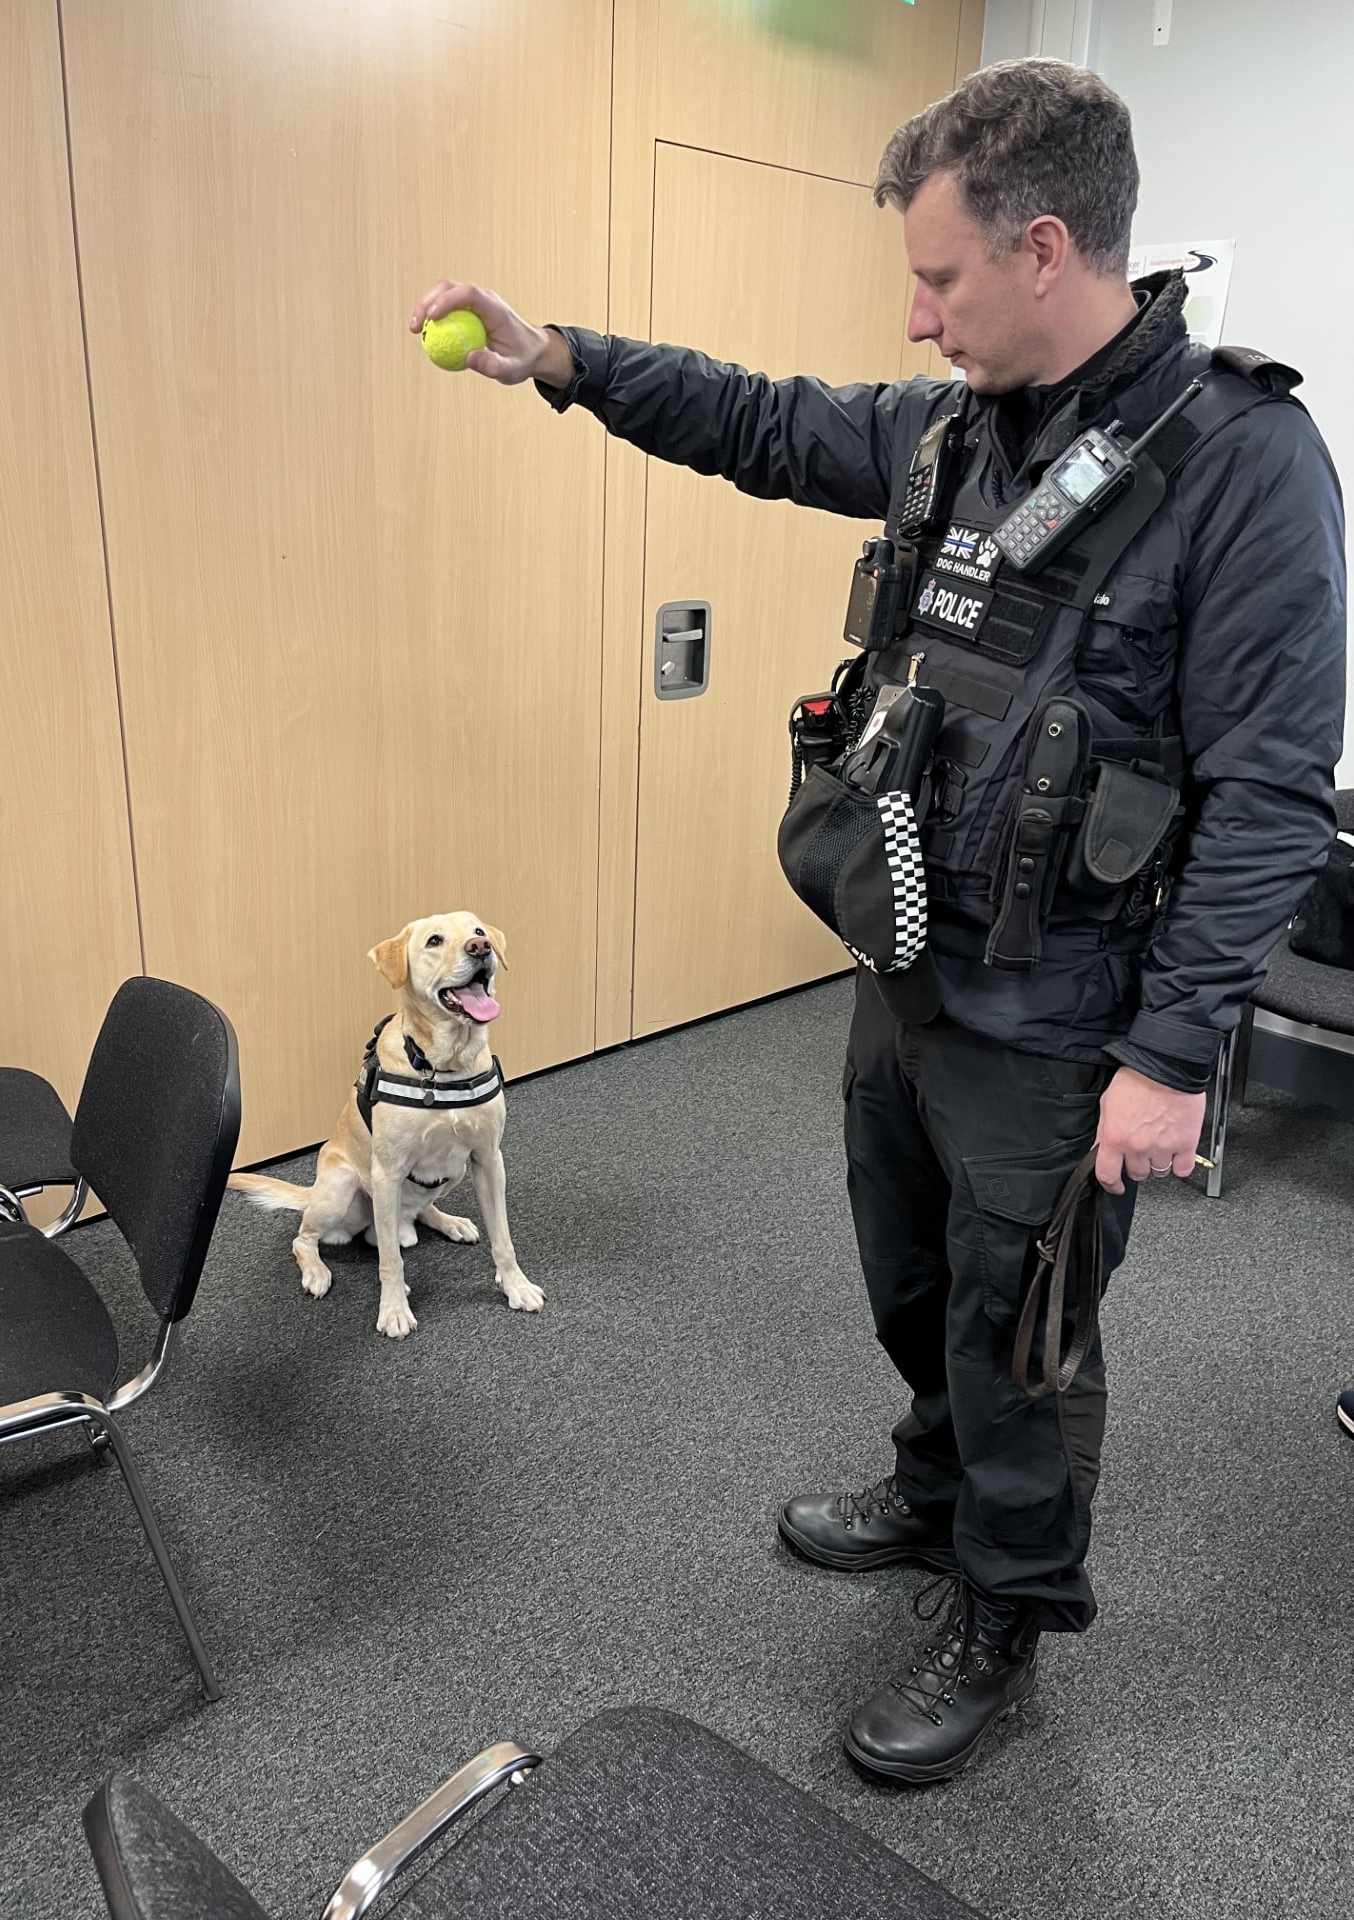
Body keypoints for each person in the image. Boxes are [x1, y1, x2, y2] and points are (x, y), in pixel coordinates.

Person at [411, 58, 1346, 1783]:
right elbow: (763, 421)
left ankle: (1010, 1608)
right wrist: (564, 364)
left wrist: (1171, 1056)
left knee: (1023, 1326)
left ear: (1048, 248)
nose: (916, 320)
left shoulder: (1241, 465)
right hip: (914, 956)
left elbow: (1276, 798)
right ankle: (936, 1494)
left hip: (1073, 1011)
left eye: (941, 279)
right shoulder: (960, 435)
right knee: (912, 1271)